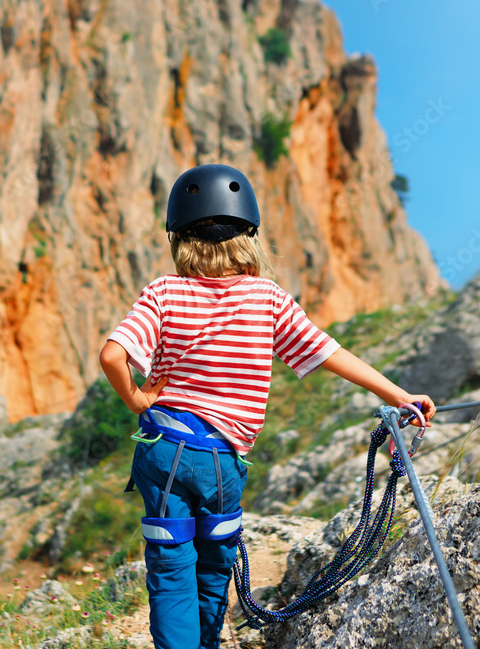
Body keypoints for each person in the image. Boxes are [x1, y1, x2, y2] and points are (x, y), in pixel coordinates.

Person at [99, 164, 436, 649]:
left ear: (179, 239)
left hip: (166, 452)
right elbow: (328, 353)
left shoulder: (163, 292)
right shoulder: (267, 298)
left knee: (171, 566)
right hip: (223, 462)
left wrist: (135, 397)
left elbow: (114, 354)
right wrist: (398, 396)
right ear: (249, 237)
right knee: (215, 565)